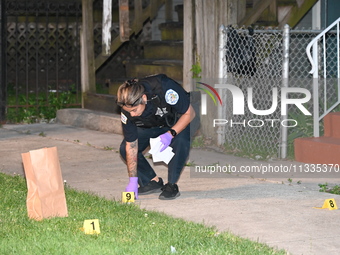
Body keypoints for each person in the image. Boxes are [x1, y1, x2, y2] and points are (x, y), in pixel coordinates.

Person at [117, 74, 199, 200]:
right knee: (124, 149)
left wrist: (170, 134)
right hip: (153, 123)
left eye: (134, 110)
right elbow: (131, 146)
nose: (132, 115)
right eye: (129, 112)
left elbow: (190, 113)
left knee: (181, 141)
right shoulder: (127, 110)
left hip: (178, 117)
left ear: (143, 98)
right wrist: (133, 180)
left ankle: (171, 185)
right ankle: (152, 182)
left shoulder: (164, 88)